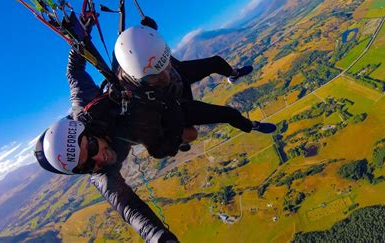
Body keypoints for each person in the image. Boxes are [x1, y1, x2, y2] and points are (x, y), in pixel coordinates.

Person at [35, 41, 180, 242]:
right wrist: (158, 237)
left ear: (87, 130)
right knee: (175, 141)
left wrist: (79, 40)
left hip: (128, 103)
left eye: (91, 147)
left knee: (126, 69)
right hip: (136, 126)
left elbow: (74, 72)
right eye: (87, 165)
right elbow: (128, 208)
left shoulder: (86, 106)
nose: (99, 158)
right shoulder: (101, 174)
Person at [113, 24, 277, 155]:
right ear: (137, 79)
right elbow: (157, 149)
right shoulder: (136, 100)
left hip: (179, 76)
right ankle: (253, 126)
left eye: (165, 64)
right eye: (155, 76)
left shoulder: (149, 59)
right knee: (230, 114)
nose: (165, 76)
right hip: (174, 107)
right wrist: (175, 137)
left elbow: (140, 53)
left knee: (216, 62)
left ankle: (233, 74)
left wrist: (148, 32)